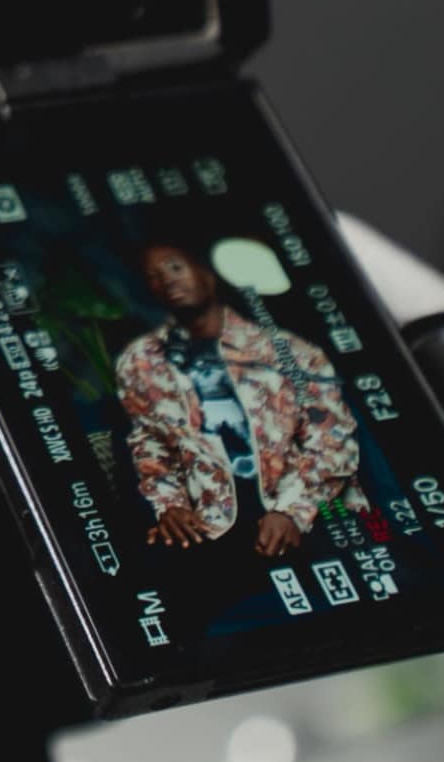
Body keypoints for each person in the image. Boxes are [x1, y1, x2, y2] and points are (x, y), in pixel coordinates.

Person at [113, 241, 361, 609]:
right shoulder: (140, 361)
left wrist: (291, 510)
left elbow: (332, 439)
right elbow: (149, 443)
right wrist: (171, 506)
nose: (167, 281)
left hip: (304, 515)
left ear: (207, 275)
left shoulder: (288, 351)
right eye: (154, 276)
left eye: (175, 267)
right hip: (207, 528)